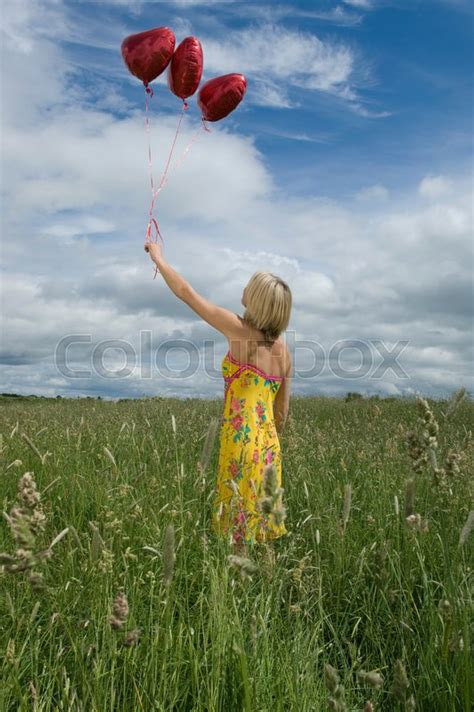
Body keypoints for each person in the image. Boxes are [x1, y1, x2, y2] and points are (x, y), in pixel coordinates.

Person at [144, 241, 293, 557]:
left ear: (258, 302)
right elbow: (282, 412)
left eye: (249, 287)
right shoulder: (285, 352)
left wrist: (159, 258)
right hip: (269, 446)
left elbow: (187, 294)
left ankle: (240, 595)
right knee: (263, 527)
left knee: (239, 531)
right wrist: (266, 443)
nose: (244, 289)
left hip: (239, 441)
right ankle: (267, 591)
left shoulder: (239, 330)